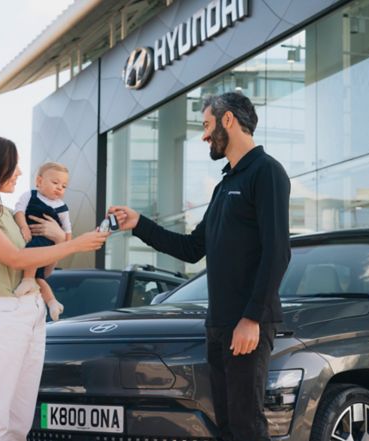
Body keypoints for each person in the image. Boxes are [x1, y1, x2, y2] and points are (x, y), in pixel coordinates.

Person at [110, 92, 290, 441]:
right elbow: (192, 249)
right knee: (225, 427)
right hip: (219, 325)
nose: (204, 135)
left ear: (228, 120)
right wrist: (139, 223)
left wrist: (252, 318)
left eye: (207, 125)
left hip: (247, 324)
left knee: (247, 426)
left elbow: (278, 252)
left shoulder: (267, 172)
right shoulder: (225, 185)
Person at [0, 133, 108, 441]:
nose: (20, 172)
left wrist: (60, 239)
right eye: (14, 166)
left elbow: (42, 269)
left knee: (18, 423)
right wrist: (74, 244)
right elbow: (15, 258)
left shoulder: (9, 214)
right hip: (0, 315)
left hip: (31, 311)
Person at [13, 162, 71, 321]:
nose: (59, 188)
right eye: (55, 182)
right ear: (39, 181)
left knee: (33, 253)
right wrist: (24, 226)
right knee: (40, 278)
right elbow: (19, 211)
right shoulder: (30, 195)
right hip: (30, 237)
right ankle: (52, 303)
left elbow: (67, 230)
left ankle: (27, 280)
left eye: (64, 186)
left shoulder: (62, 207)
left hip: (46, 244)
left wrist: (65, 243)